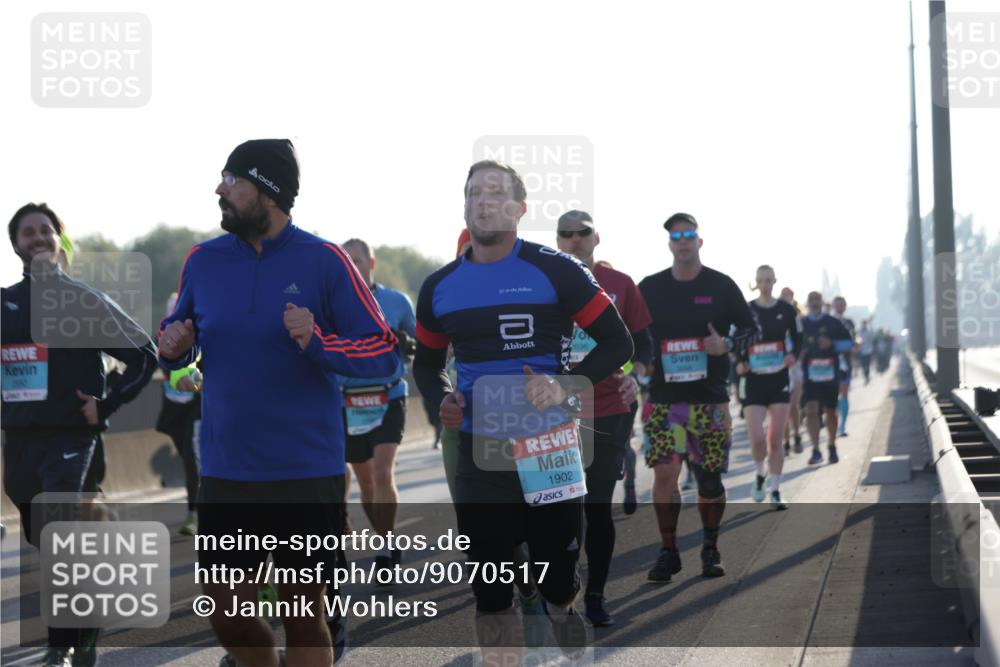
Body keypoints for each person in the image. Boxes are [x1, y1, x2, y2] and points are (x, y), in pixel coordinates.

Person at [158, 139, 399, 667]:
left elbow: (384, 353)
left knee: (302, 611)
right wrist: (173, 346)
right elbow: (180, 336)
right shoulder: (203, 260)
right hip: (226, 470)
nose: (219, 189)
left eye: (232, 180)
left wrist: (319, 341)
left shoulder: (325, 260)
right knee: (228, 614)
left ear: (267, 192)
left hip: (305, 471)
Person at [413, 160, 632, 662]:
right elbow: (426, 364)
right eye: (475, 192)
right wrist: (442, 398)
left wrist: (564, 385)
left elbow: (617, 342)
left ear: (520, 208)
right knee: (490, 591)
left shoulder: (556, 270)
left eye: (496, 192)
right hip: (481, 450)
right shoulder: (440, 287)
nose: (484, 201)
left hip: (549, 446)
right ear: (464, 205)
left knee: (557, 584)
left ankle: (565, 620)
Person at [3, 202, 157, 667]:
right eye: (27, 232)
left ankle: (65, 644)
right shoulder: (5, 304)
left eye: (45, 230)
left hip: (73, 438)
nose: (37, 238)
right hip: (21, 442)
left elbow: (144, 355)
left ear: (58, 240)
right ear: (15, 245)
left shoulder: (84, 300)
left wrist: (105, 404)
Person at [638, 212, 759, 583]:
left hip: (709, 400)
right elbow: (630, 332)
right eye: (676, 237)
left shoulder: (721, 285)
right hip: (663, 400)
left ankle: (710, 547)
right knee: (665, 473)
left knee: (708, 480)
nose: (683, 242)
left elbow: (752, 330)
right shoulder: (651, 287)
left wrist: (727, 345)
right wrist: (641, 363)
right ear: (669, 245)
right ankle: (668, 550)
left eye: (688, 234)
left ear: (699, 241)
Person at [555, 209, 653, 627]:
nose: (575, 239)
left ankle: (594, 595)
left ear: (597, 238)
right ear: (558, 241)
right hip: (555, 412)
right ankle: (562, 592)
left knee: (596, 507)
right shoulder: (543, 284)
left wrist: (636, 377)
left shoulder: (621, 284)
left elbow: (643, 345)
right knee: (561, 509)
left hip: (608, 408)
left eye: (583, 233)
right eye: (566, 233)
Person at [338, 238, 416, 577]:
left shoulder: (396, 301)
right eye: (345, 261)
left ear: (371, 264)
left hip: (389, 394)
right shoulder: (331, 302)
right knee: (366, 483)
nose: (351, 267)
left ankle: (384, 546)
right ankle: (386, 537)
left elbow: (421, 343)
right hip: (347, 399)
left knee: (383, 472)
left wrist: (408, 344)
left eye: (356, 260)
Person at [737, 266, 800, 510]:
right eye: (760, 280)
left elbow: (798, 338)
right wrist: (739, 362)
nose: (764, 285)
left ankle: (775, 490)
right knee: (757, 440)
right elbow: (736, 340)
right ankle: (759, 474)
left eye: (768, 280)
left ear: (774, 281)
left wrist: (793, 355)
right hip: (753, 381)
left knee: (775, 440)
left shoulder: (786, 310)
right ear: (756, 282)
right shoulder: (747, 310)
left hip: (778, 380)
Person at [155, 292, 202, 536]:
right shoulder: (163, 336)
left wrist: (197, 378)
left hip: (200, 404)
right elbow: (160, 363)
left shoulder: (203, 332)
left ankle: (195, 512)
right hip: (175, 412)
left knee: (193, 456)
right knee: (188, 457)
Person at [799, 291, 854, 465]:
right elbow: (791, 344)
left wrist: (832, 344)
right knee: (811, 409)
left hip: (830, 374)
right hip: (809, 375)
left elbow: (849, 343)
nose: (814, 303)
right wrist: (799, 352)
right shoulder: (802, 323)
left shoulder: (832, 322)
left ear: (822, 303)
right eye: (811, 300)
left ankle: (831, 445)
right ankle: (816, 450)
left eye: (817, 299)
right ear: (807, 303)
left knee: (830, 411)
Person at [779, 287, 804, 454]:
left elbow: (801, 340)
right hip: (778, 367)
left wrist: (795, 356)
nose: (786, 298)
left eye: (789, 295)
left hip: (794, 367)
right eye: (784, 295)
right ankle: (786, 441)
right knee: (782, 407)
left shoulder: (796, 316)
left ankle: (797, 435)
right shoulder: (774, 316)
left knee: (793, 405)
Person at [831, 296, 857, 437]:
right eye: (837, 305)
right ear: (833, 306)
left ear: (845, 306)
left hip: (846, 363)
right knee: (833, 395)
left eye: (842, 305)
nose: (839, 307)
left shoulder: (849, 322)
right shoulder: (828, 321)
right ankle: (833, 424)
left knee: (844, 393)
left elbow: (853, 341)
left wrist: (854, 347)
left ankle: (842, 426)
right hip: (830, 363)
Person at [857, 319, 874, 384]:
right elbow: (858, 339)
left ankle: (867, 375)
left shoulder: (869, 331)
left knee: (867, 364)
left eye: (865, 323)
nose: (864, 325)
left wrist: (871, 323)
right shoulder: (860, 331)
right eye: (863, 323)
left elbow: (872, 336)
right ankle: (865, 376)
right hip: (862, 350)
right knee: (863, 364)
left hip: (868, 350)